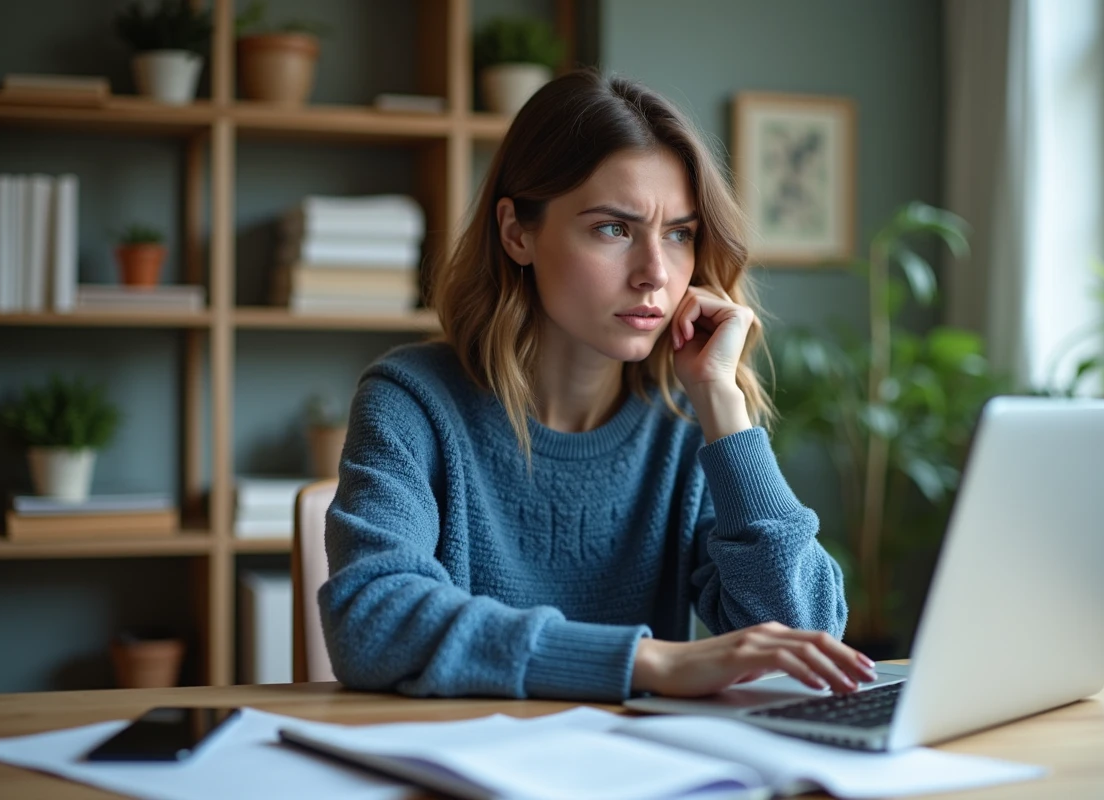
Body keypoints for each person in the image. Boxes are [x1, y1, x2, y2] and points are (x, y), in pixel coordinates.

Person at [318, 68, 876, 702]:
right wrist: (645, 661)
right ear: (517, 232)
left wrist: (722, 402)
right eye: (614, 228)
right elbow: (372, 619)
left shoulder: (689, 419)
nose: (654, 273)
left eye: (679, 234)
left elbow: (803, 635)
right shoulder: (411, 401)